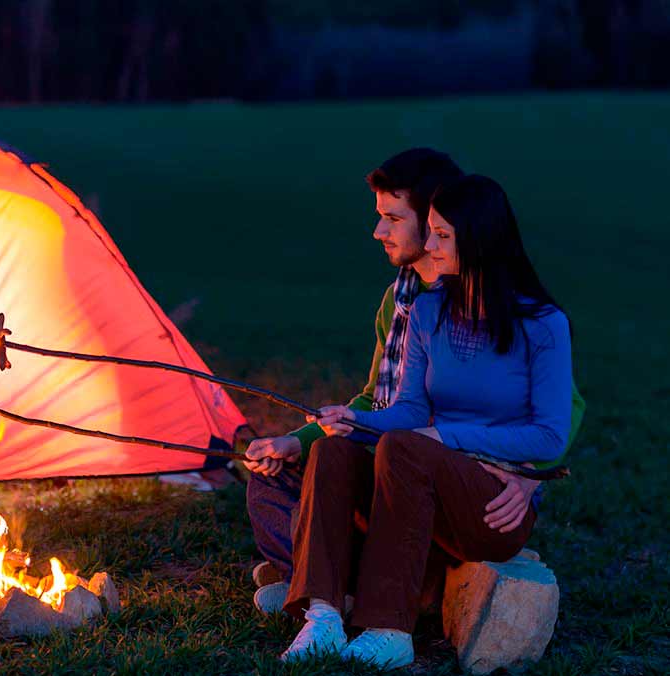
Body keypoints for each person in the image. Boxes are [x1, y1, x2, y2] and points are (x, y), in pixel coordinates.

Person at [279, 175, 580, 669]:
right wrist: (356, 420)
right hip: (421, 482)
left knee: (405, 448)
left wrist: (445, 437)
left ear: (480, 239)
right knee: (333, 450)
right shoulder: (427, 310)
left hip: (491, 505)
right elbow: (412, 412)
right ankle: (324, 617)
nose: (430, 245)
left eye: (443, 235)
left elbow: (550, 434)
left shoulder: (543, 324)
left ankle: (389, 630)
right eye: (431, 232)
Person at [239, 148, 462, 612]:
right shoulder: (397, 298)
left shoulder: (471, 303)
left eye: (392, 219)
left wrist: (526, 480)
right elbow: (373, 397)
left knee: (343, 477)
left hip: (427, 478)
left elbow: (553, 406)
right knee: (271, 482)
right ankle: (327, 582)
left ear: (435, 219)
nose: (378, 231)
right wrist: (294, 442)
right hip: (377, 452)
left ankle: (318, 579)